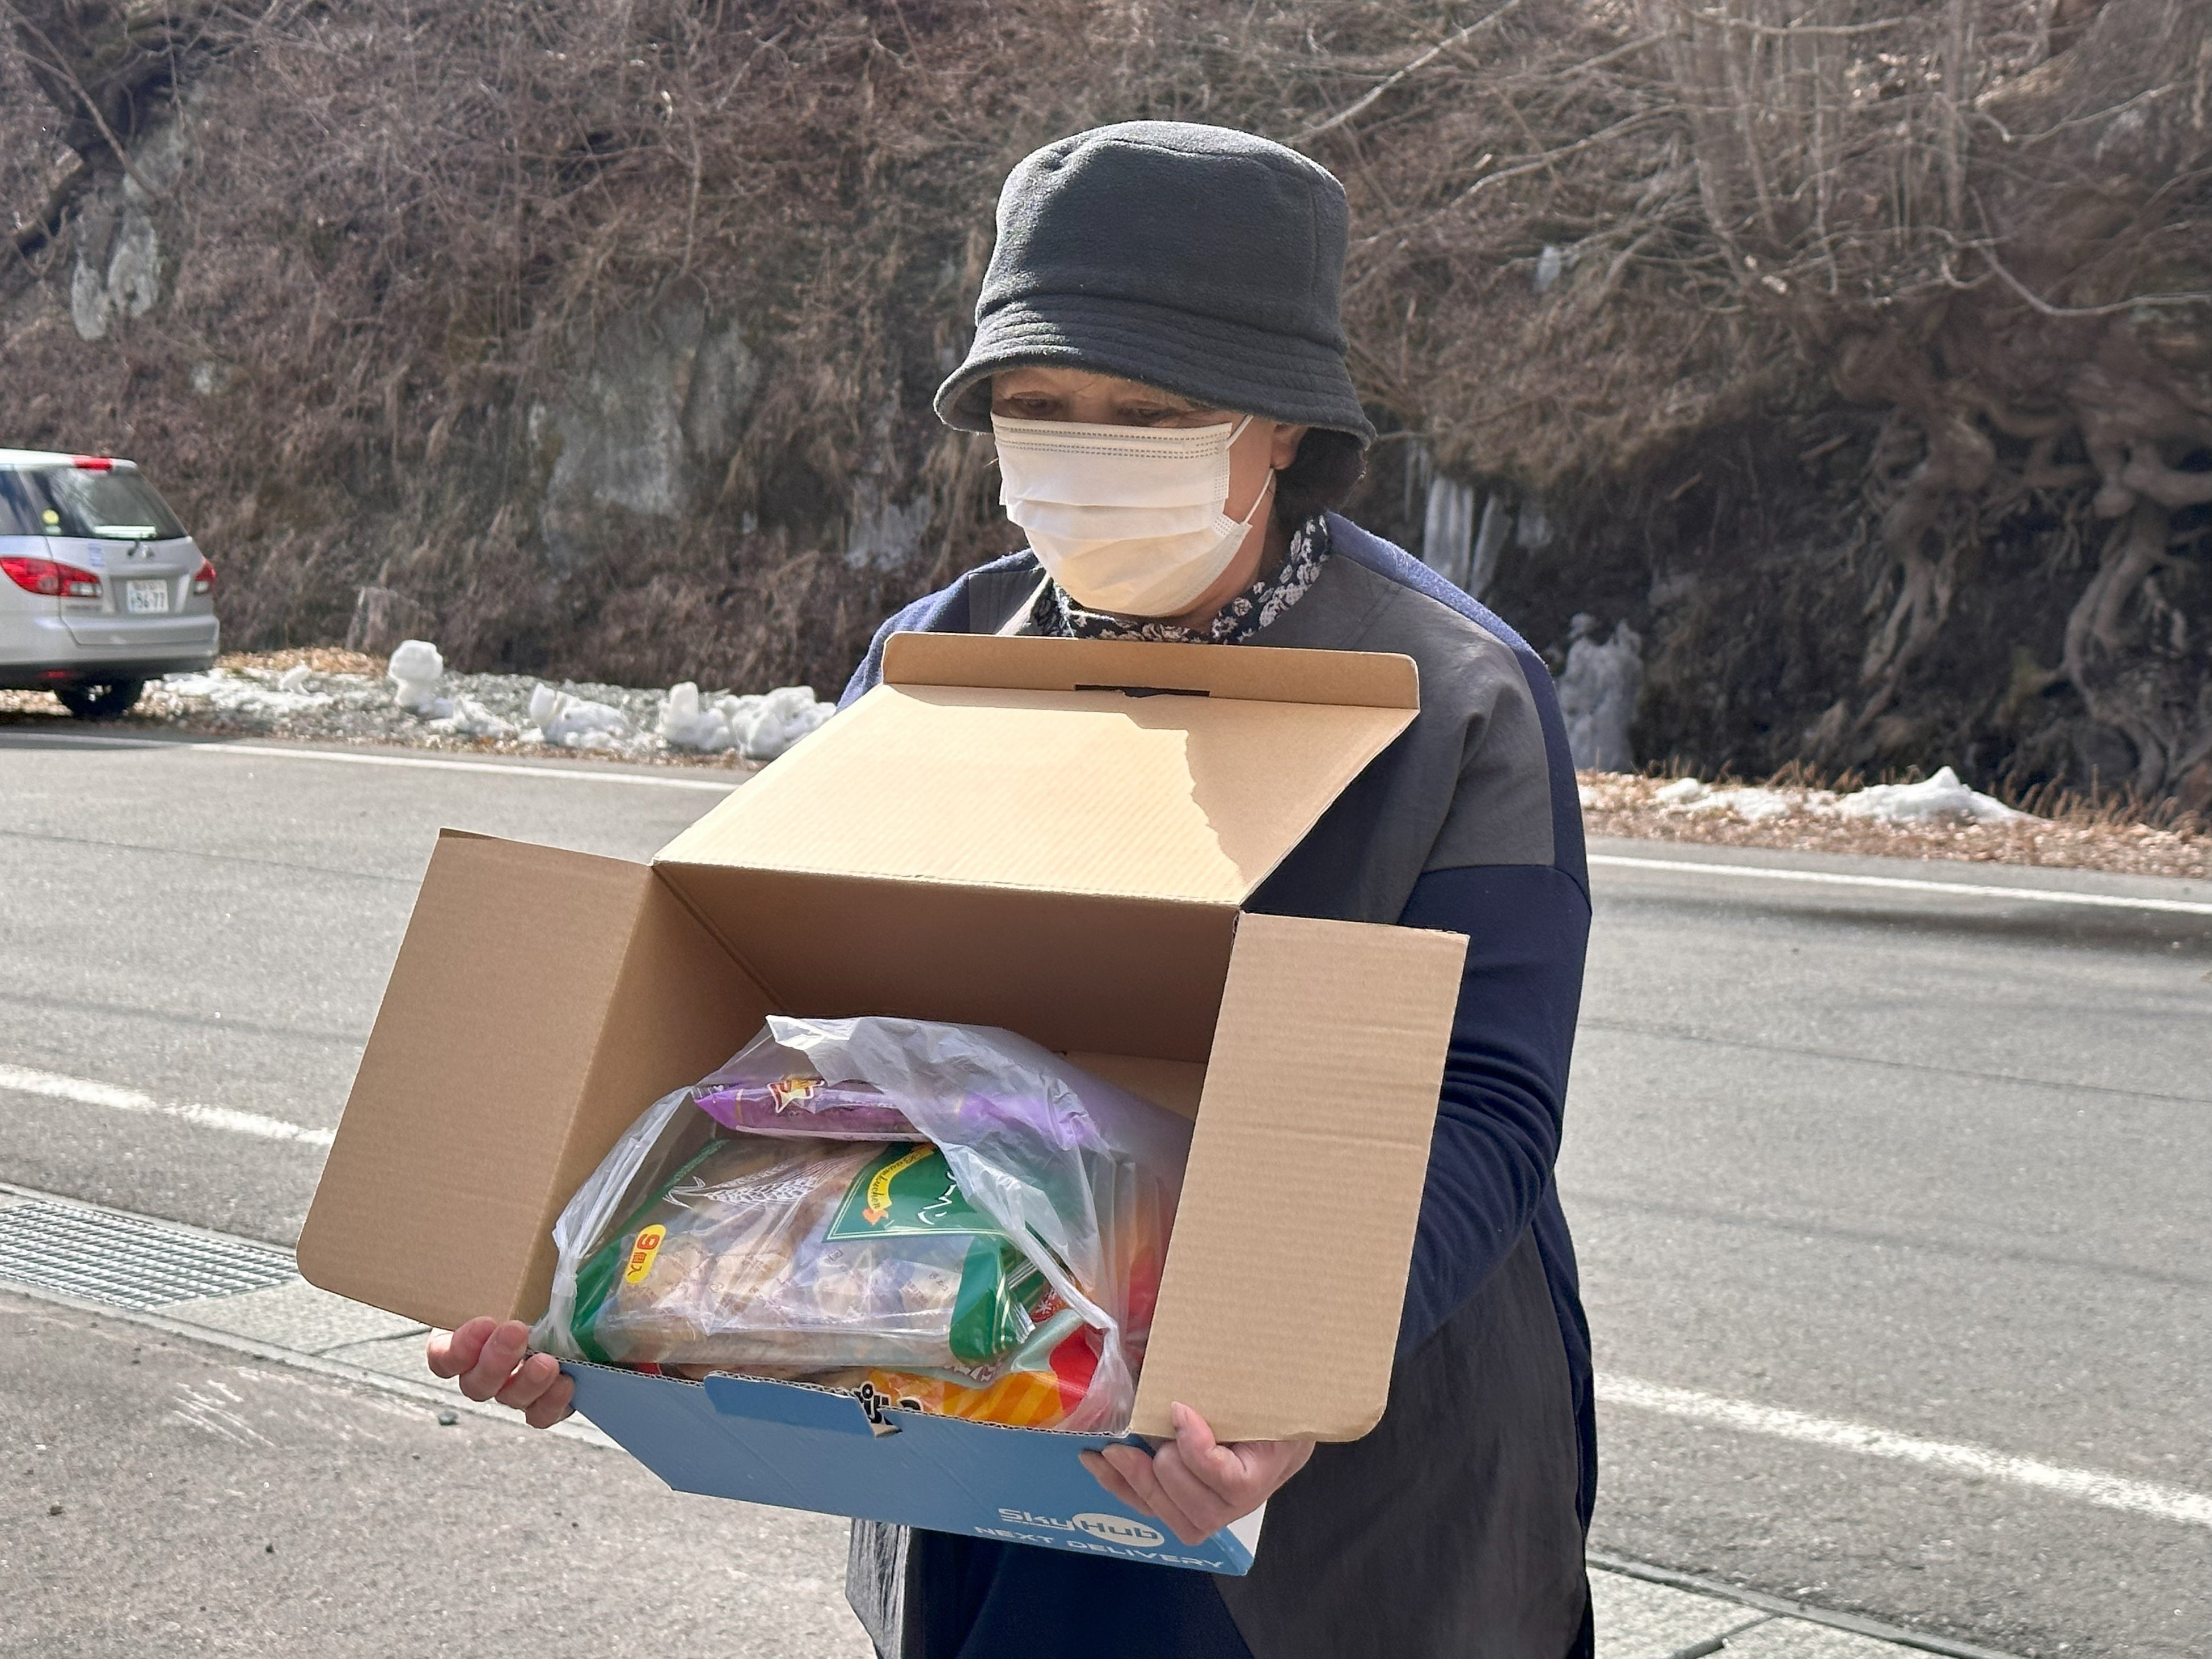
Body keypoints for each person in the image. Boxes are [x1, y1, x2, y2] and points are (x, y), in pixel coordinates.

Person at [429, 121, 1596, 1659]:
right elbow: (816, 1047)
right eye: (1037, 405)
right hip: (989, 1372)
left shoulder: (1451, 697)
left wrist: (1288, 1373)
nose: (1085, 444)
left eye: (1151, 409)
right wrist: (600, 1288)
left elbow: (1482, 1102)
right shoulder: (937, 664)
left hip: (1332, 1433)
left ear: (1285, 432)